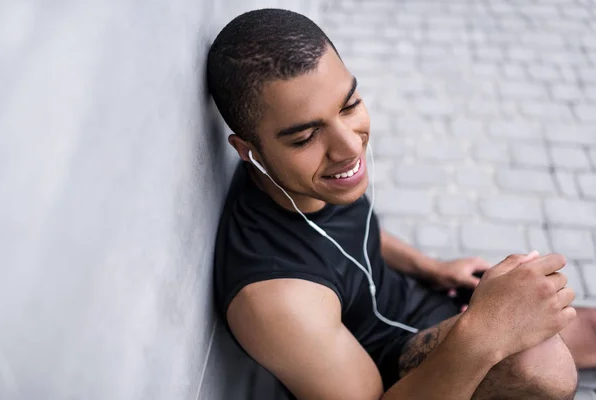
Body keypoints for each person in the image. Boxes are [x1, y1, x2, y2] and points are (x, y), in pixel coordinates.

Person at [208, 8, 596, 400]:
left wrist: (433, 268)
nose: (348, 147)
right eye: (306, 136)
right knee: (545, 369)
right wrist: (483, 332)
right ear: (248, 150)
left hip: (429, 308)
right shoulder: (275, 302)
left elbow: (351, 239)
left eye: (349, 105)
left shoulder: (300, 181)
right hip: (407, 376)